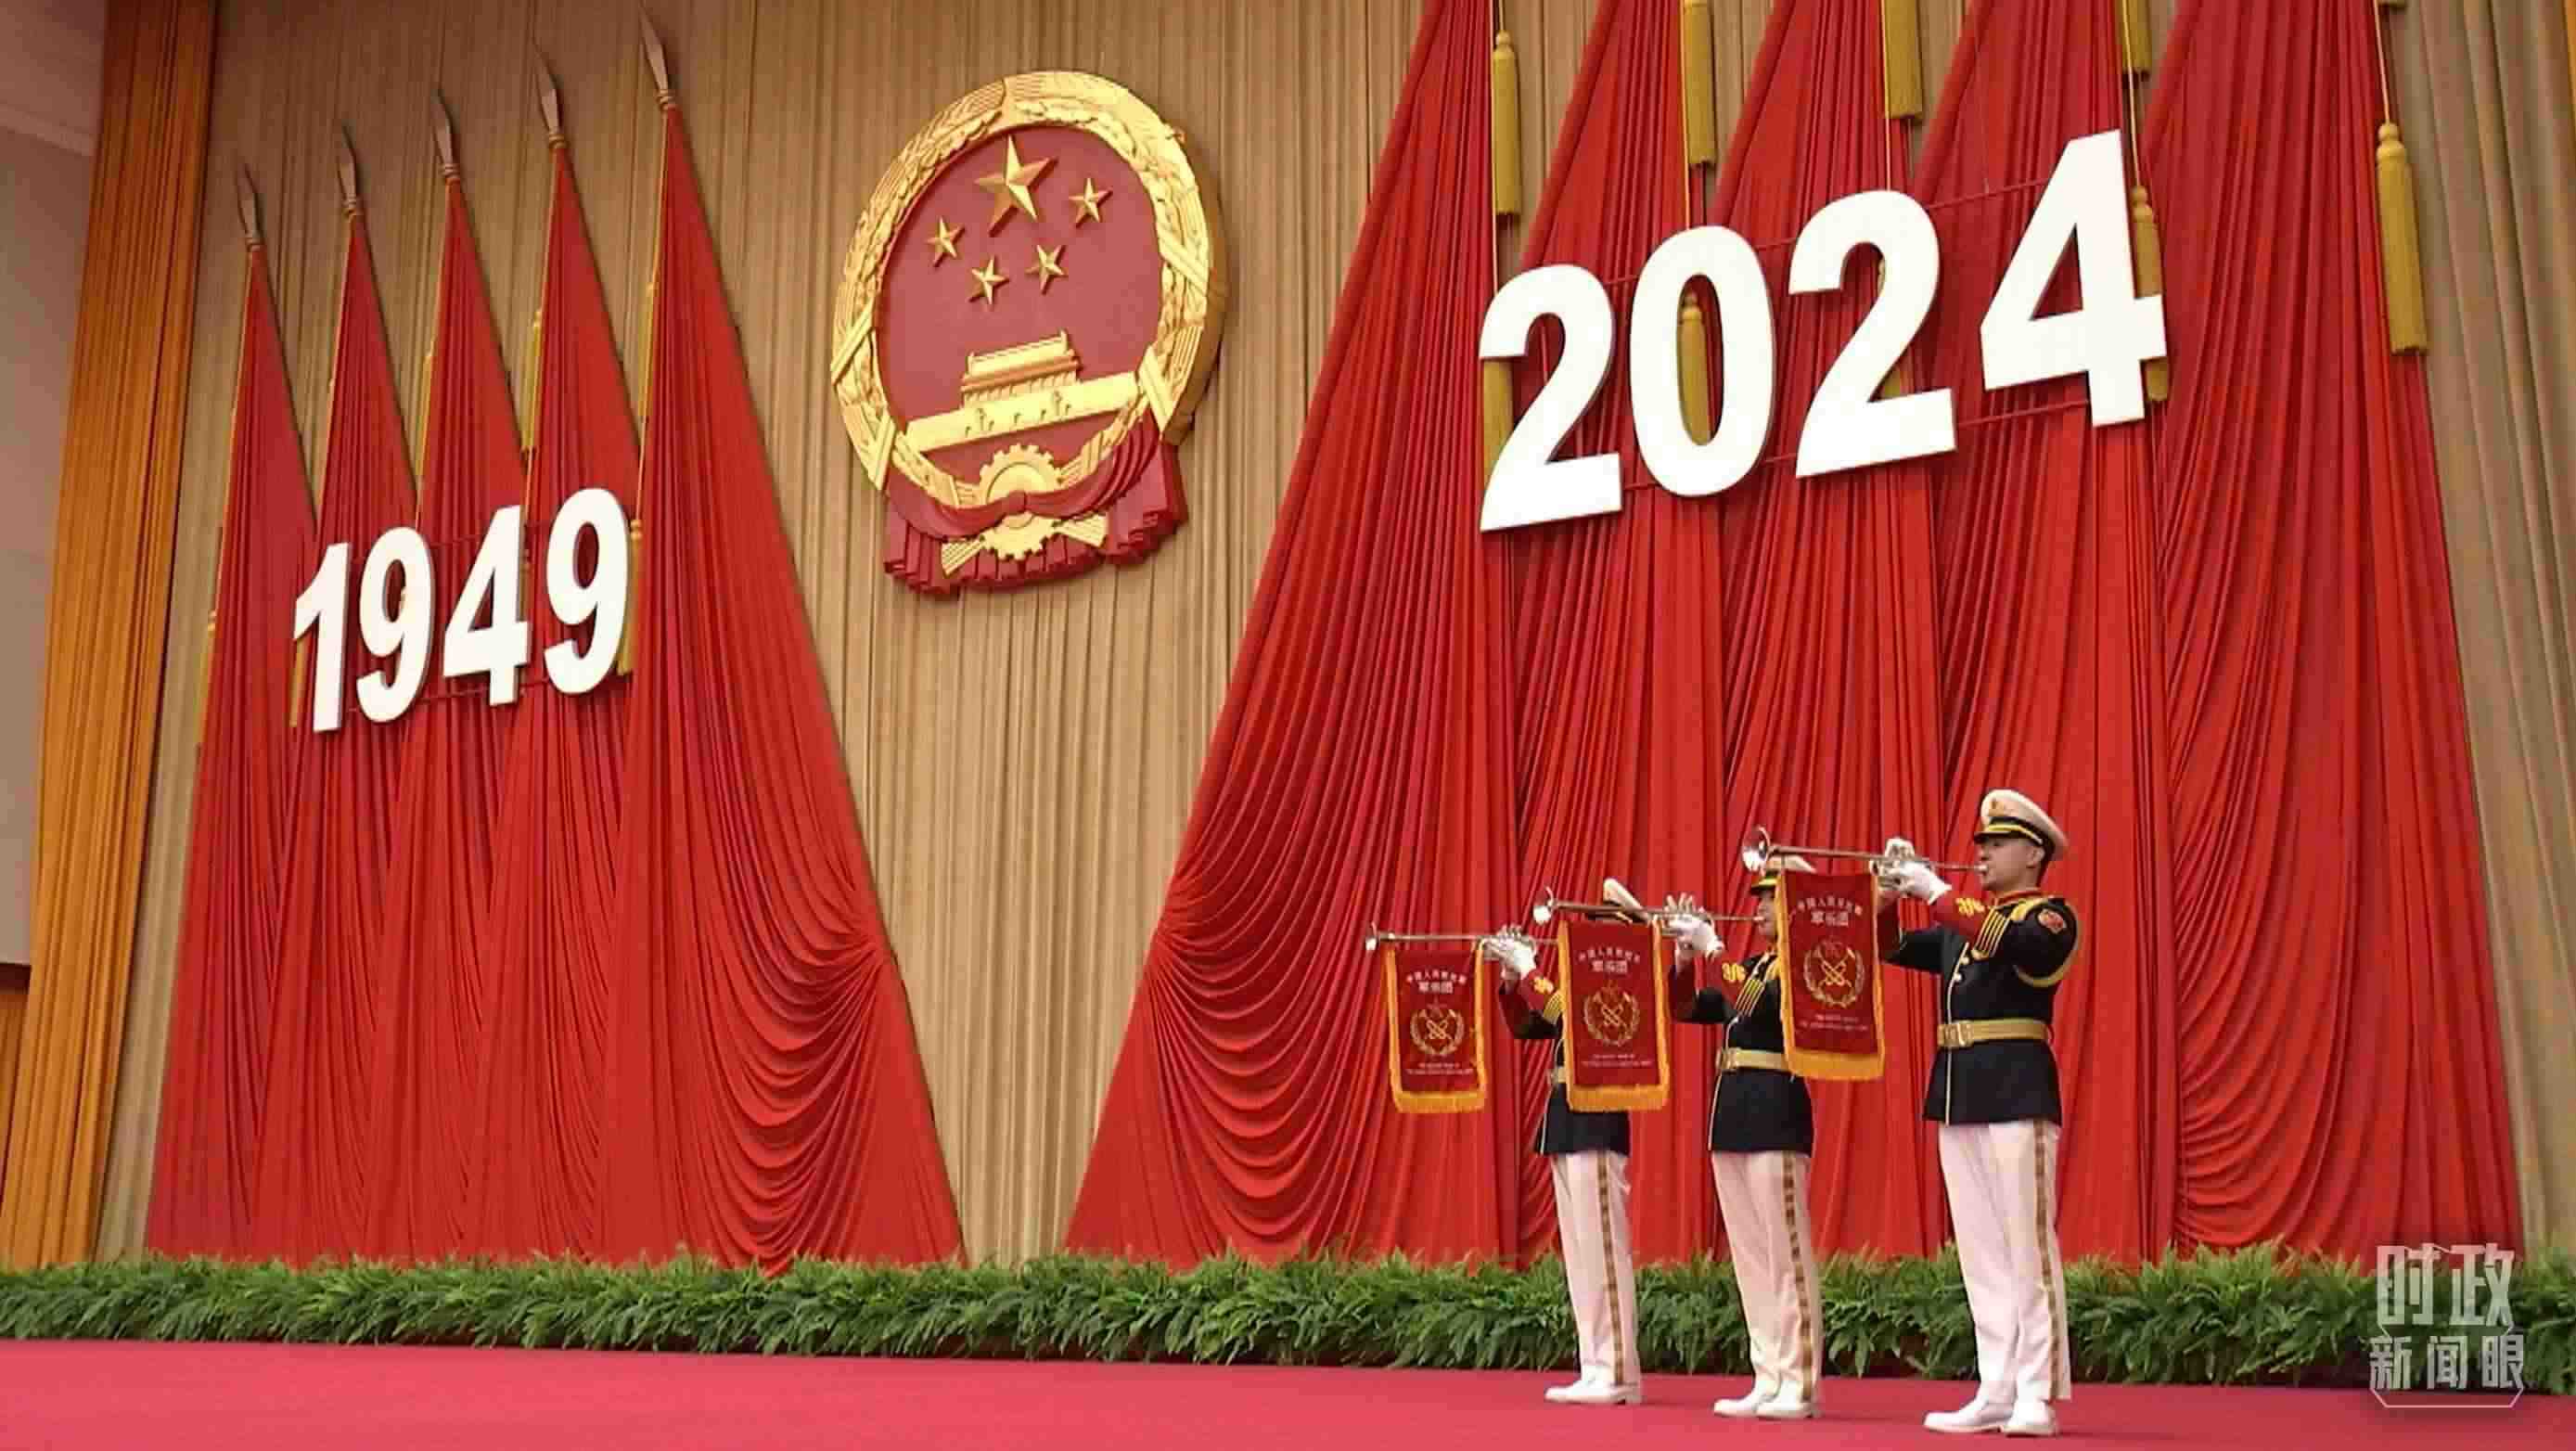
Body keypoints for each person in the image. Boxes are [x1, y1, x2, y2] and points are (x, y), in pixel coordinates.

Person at [1875, 790, 2080, 1439]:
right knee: (1982, 1252)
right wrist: (1888, 894)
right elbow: (1889, 947)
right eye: (1982, 845)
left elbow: (2019, 947)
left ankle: (2036, 1392)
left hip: (2017, 1088)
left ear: (2033, 854)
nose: (1983, 855)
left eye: (1997, 844)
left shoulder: (2050, 918)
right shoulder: (1962, 927)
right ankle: (1997, 1385)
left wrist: (1935, 890)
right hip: (1959, 1090)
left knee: (2027, 1245)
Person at [1666, 855, 1824, 1421]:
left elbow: (1758, 1003)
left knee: (1786, 1254)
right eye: (1756, 899)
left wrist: (1713, 948)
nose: (1757, 908)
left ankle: (1799, 1381)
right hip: (1734, 1112)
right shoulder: (1754, 965)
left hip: (1776, 1109)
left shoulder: (1806, 962)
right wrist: (1685, 959)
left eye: (1769, 898)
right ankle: (1768, 1374)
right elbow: (1690, 1008)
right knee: (1752, 1258)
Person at [1486, 904, 1642, 1407]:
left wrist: (1532, 970)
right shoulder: (1582, 988)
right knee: (1580, 1254)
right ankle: (1595, 1364)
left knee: (1604, 1251)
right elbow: (1529, 1026)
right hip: (1568, 1119)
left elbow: (1571, 1020)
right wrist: (1513, 980)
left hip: (1597, 1118)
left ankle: (1618, 1370)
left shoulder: (1624, 985)